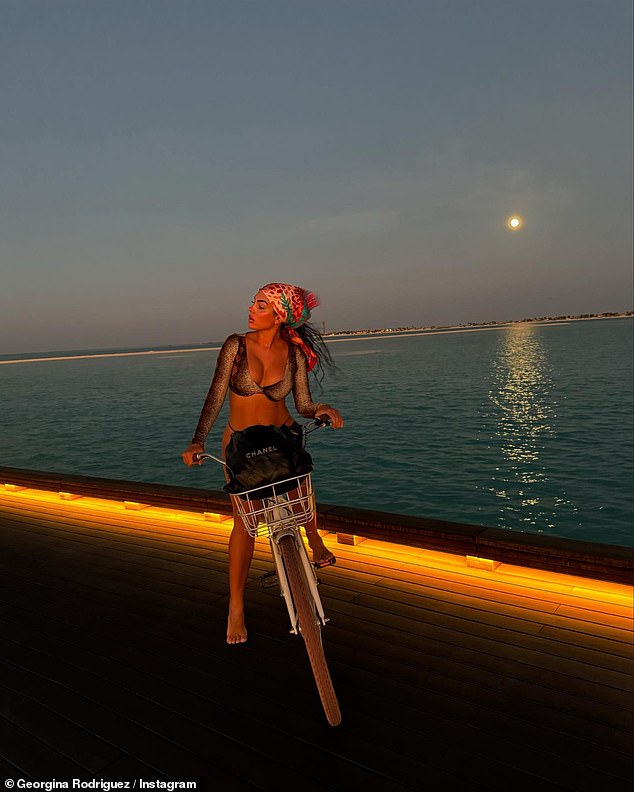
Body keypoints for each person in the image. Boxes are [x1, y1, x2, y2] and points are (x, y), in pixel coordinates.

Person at [181, 282, 344, 644]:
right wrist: (198, 440)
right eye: (253, 303)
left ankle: (314, 540)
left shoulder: (294, 354)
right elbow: (216, 393)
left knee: (303, 493)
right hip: (241, 442)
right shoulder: (235, 345)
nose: (250, 309)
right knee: (245, 522)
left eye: (260, 305)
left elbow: (302, 405)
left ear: (279, 314)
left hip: (282, 436)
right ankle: (235, 606)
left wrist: (322, 409)